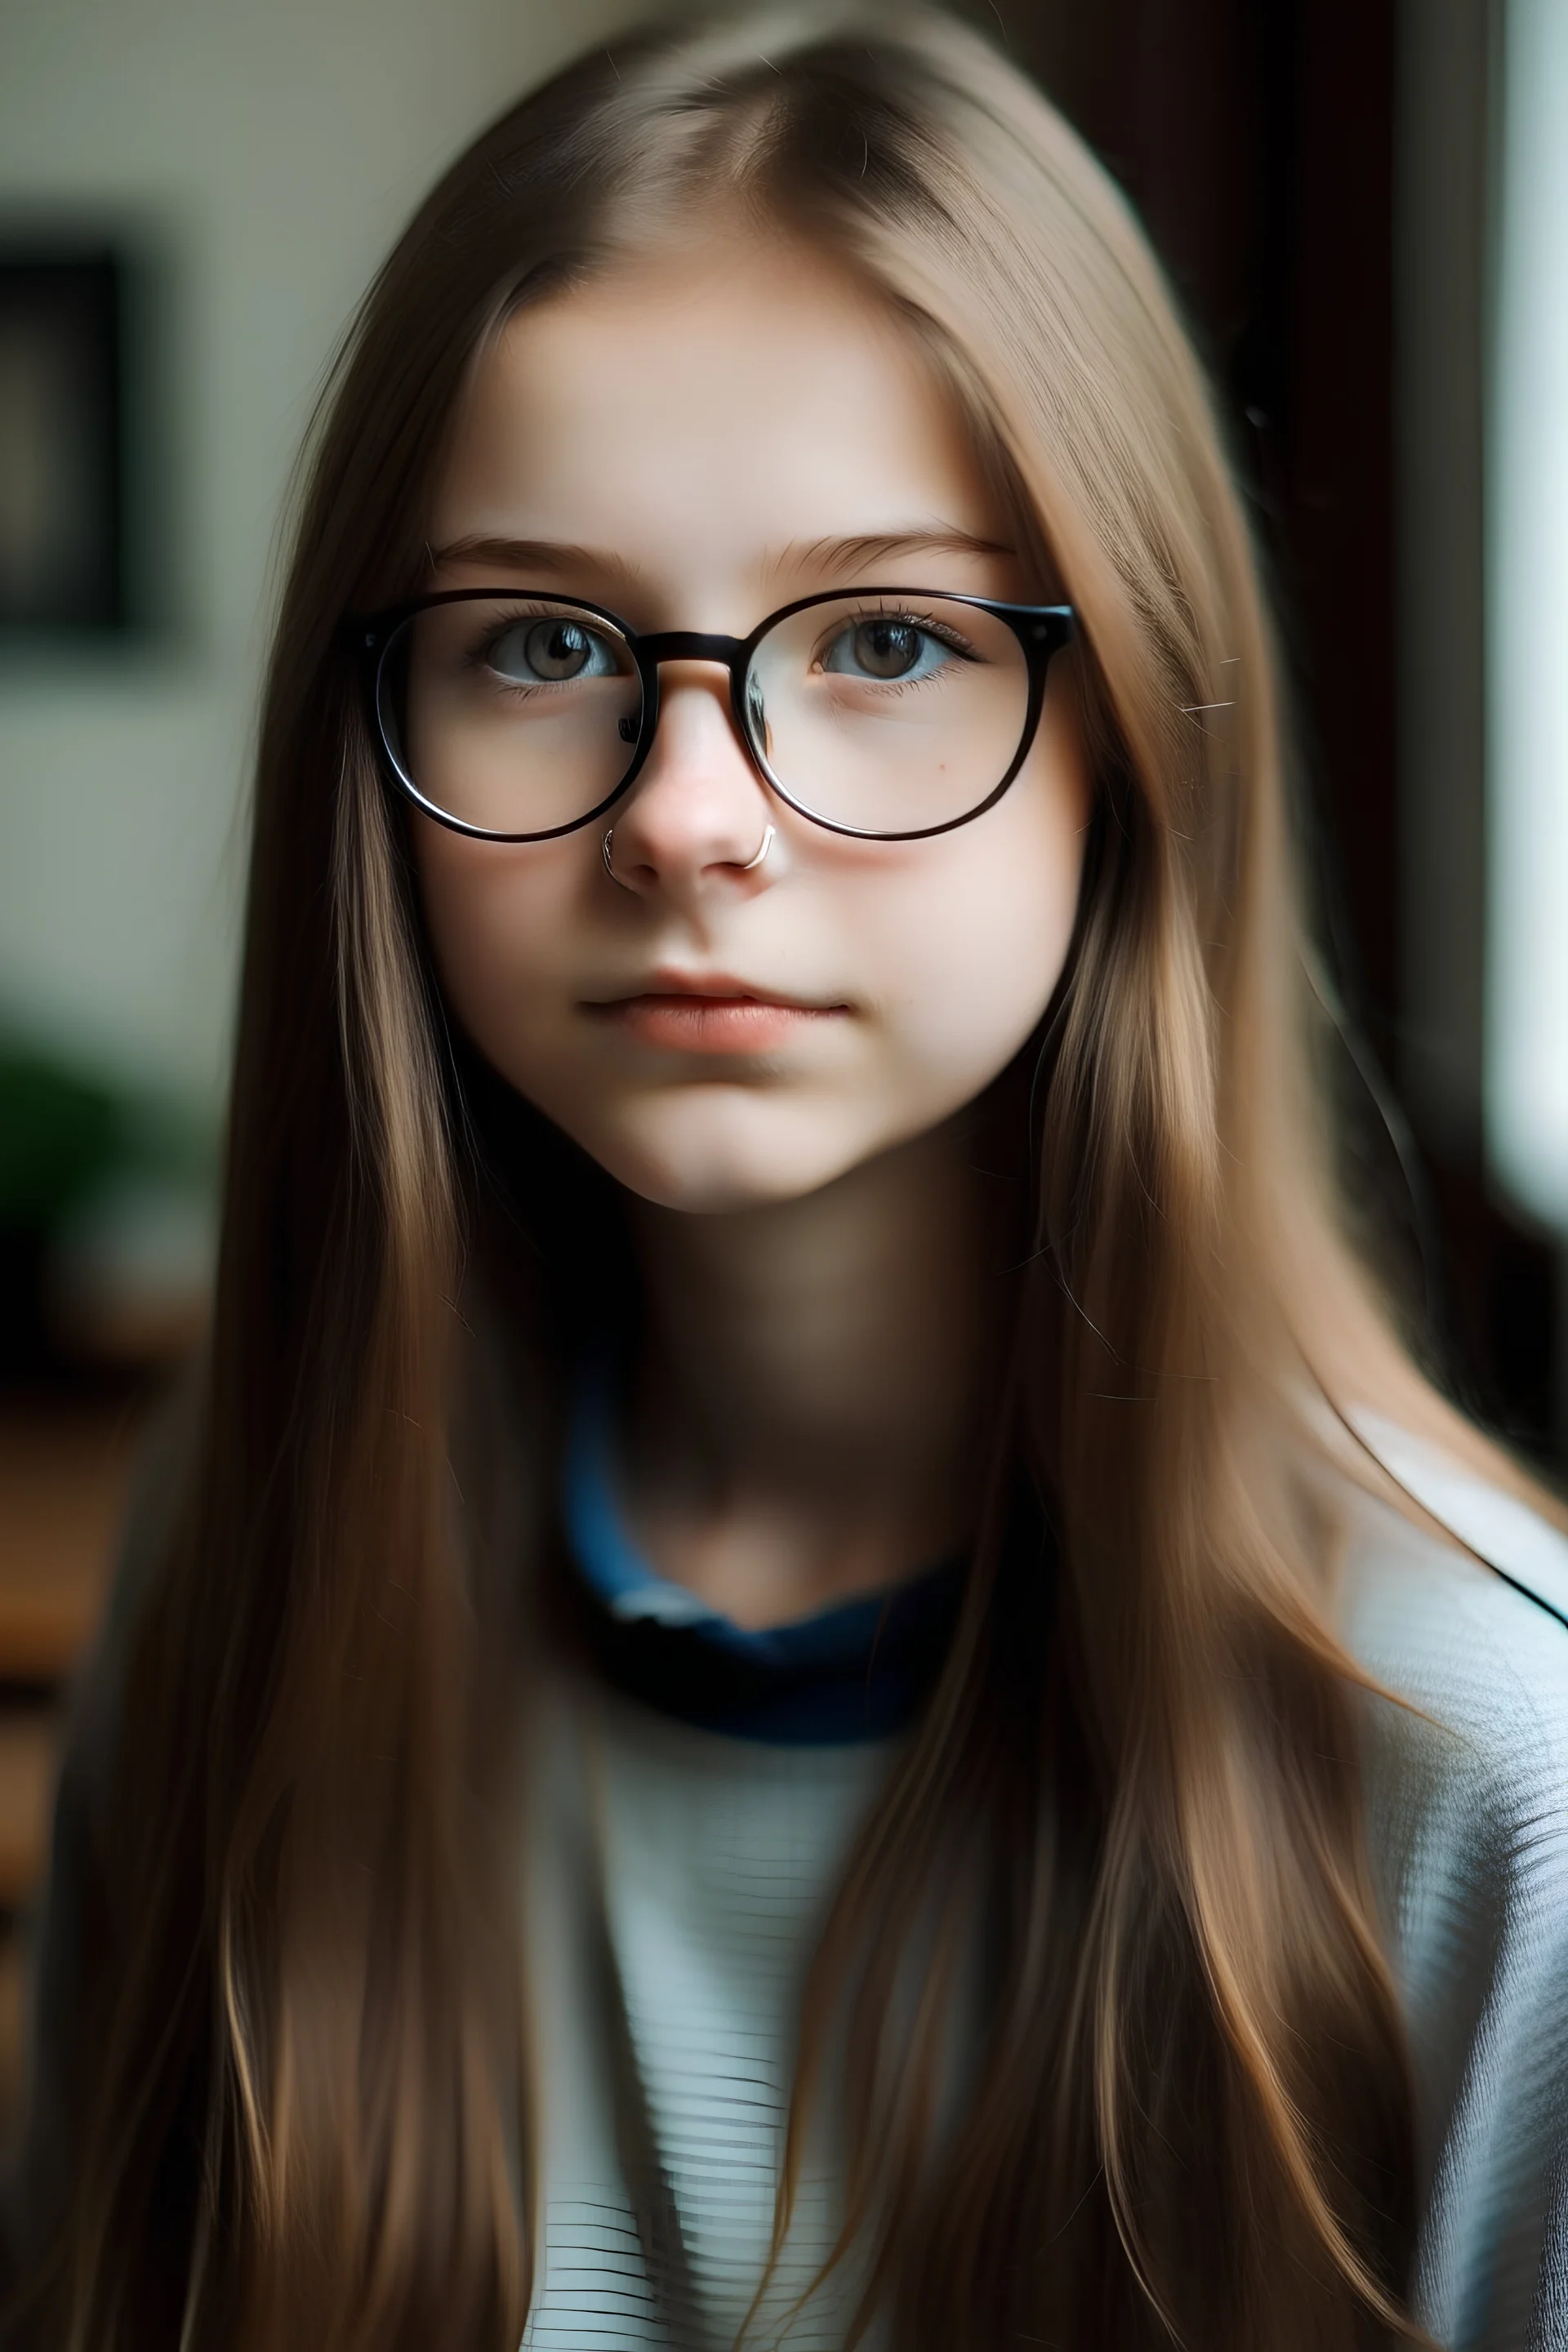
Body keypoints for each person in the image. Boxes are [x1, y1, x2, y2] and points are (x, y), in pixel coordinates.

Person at [7, 7, 1568, 2348]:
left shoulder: (1482, 1769)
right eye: (541, 640)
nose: (690, 813)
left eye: (886, 639)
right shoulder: (250, 1541)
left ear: (1133, 737)